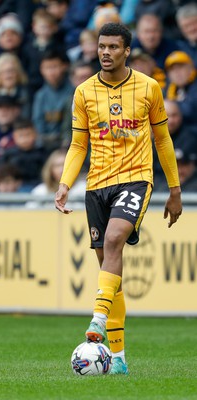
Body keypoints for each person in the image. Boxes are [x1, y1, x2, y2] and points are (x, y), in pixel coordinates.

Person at [54, 22, 182, 375]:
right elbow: (79, 144)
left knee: (114, 240)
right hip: (97, 185)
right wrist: (66, 183)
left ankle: (96, 320)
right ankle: (120, 358)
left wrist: (174, 189)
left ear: (127, 51)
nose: (105, 52)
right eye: (101, 46)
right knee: (111, 271)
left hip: (136, 179)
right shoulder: (83, 92)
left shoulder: (148, 88)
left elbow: (163, 140)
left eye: (113, 46)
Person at [163, 51, 197, 125]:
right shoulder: (170, 89)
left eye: (180, 68)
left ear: (191, 69)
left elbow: (190, 112)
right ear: (168, 75)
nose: (177, 73)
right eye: (172, 69)